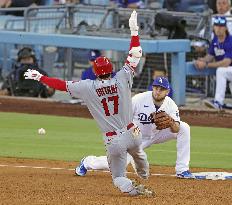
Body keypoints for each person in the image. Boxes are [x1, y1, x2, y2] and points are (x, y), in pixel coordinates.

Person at [24, 11, 153, 196]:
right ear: (111, 69)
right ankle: (143, 171)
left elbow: (60, 85)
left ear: (95, 71)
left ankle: (131, 188)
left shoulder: (87, 87)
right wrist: (134, 31)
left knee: (118, 177)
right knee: (138, 152)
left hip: (114, 140)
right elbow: (136, 53)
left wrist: (40, 77)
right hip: (134, 132)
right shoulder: (123, 77)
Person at [75, 76, 192, 179]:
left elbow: (176, 129)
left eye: (161, 89)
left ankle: (182, 170)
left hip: (157, 135)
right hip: (136, 137)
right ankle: (87, 162)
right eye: (156, 88)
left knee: (184, 128)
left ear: (167, 91)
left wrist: (171, 122)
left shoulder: (170, 105)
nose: (157, 91)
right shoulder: (139, 99)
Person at [194, 16, 232, 109]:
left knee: (221, 71)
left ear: (225, 28)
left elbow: (226, 62)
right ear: (214, 27)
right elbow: (210, 56)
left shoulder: (230, 40)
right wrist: (201, 60)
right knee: (223, 71)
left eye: (221, 26)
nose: (219, 28)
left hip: (229, 68)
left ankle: (218, 102)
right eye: (217, 26)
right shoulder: (215, 40)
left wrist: (206, 65)